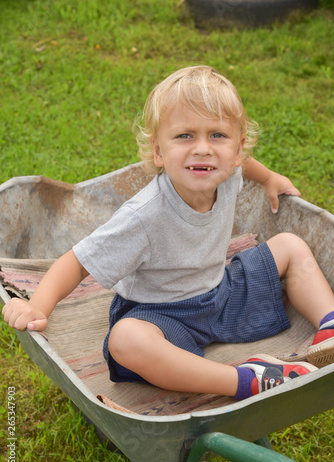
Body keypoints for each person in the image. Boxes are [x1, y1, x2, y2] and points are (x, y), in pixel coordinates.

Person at [2, 66, 334, 400]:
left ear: (237, 150)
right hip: (162, 315)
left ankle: (330, 327)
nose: (203, 148)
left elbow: (245, 165)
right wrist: (38, 307)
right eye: (185, 136)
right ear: (158, 151)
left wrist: (268, 178)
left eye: (217, 135)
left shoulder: (228, 172)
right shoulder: (144, 215)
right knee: (125, 340)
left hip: (221, 291)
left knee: (290, 245)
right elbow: (78, 261)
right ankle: (244, 380)